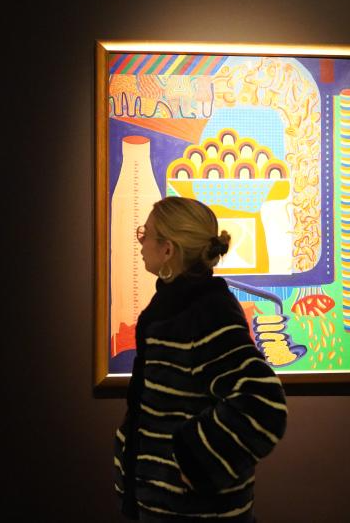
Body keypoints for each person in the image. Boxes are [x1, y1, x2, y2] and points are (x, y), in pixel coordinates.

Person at [114, 197, 287, 522]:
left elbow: (263, 403)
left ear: (168, 249)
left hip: (195, 511)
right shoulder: (174, 307)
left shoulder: (208, 311)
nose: (140, 241)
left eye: (145, 233)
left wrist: (197, 460)